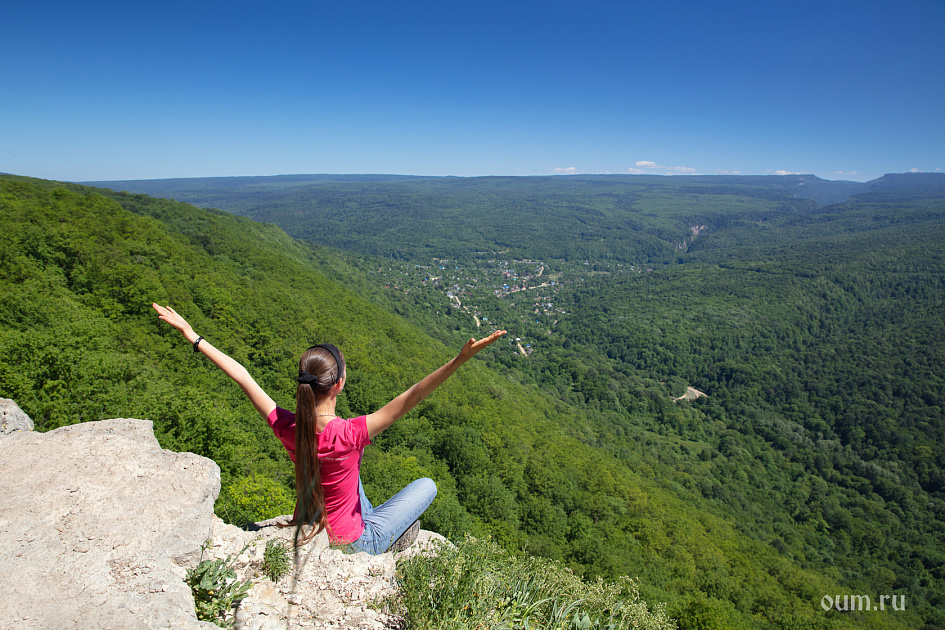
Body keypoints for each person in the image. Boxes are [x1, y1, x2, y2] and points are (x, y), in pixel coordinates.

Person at [152, 302, 506, 554]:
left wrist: (194, 336)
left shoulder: (289, 426)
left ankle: (375, 521)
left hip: (317, 526)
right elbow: (415, 394)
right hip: (354, 543)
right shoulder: (350, 434)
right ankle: (391, 542)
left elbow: (243, 375)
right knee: (426, 485)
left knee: (352, 476)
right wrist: (460, 359)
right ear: (338, 385)